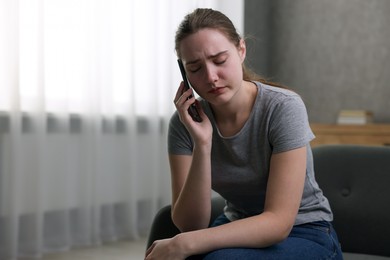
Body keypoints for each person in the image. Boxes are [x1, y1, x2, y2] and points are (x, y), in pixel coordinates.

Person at [145, 8, 343, 260]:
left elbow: (278, 223)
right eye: (195, 68)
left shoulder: (283, 107)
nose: (211, 77)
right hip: (236, 224)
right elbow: (190, 225)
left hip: (304, 231)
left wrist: (183, 244)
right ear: (184, 73)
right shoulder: (184, 124)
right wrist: (202, 143)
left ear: (241, 51)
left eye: (219, 61)